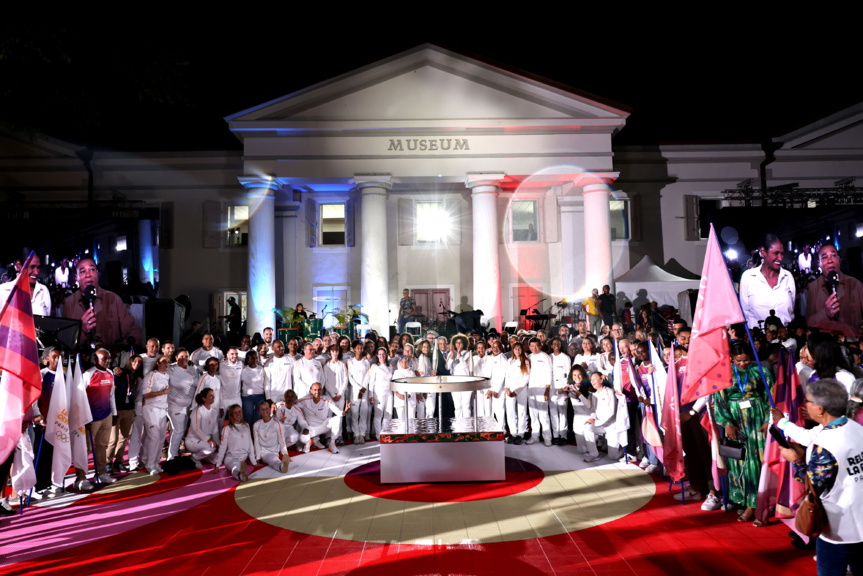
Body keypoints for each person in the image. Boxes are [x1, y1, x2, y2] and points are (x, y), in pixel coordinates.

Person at [778, 379, 863, 575]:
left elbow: (813, 486)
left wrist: (796, 460)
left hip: (839, 528)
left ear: (820, 408)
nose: (805, 405)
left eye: (807, 401)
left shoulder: (825, 444)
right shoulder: (857, 427)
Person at [713, 342, 773, 523]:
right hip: (735, 421)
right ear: (731, 358)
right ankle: (743, 500)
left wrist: (767, 420)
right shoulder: (723, 373)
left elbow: (770, 394)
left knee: (756, 462)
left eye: (746, 360)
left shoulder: (761, 371)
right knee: (740, 461)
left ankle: (755, 505)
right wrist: (727, 423)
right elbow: (719, 399)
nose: (743, 364)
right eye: (739, 361)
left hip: (757, 420)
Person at [62, 258, 142, 350]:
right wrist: (82, 330)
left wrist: (120, 349)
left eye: (92, 270)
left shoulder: (114, 299)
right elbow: (66, 342)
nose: (88, 275)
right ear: (76, 277)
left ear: (97, 273)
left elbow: (135, 332)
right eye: (83, 271)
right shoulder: (69, 303)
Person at [739, 233, 796, 329]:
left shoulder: (788, 277)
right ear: (763, 252)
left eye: (782, 253)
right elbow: (745, 314)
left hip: (786, 339)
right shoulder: (748, 277)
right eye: (776, 253)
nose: (781, 258)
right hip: (758, 339)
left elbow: (792, 310)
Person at [805, 244, 863, 334]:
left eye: (834, 255)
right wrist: (825, 313)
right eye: (824, 257)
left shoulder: (856, 284)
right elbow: (809, 322)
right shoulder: (813, 288)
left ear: (839, 260)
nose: (830, 261)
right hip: (825, 344)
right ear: (818, 263)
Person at [107, 355, 140, 473]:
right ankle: (107, 462)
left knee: (123, 438)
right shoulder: (120, 373)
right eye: (135, 361)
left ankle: (118, 461)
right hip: (117, 410)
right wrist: (112, 410)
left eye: (139, 362)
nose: (137, 363)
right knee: (113, 439)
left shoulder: (136, 376)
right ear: (130, 361)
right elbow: (112, 392)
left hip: (129, 409)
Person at [297, 382, 350, 453]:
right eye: (315, 390)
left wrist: (345, 411)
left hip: (324, 426)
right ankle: (309, 443)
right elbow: (293, 404)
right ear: (311, 391)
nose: (317, 392)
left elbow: (337, 411)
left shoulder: (326, 399)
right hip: (312, 429)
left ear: (322, 390)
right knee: (302, 438)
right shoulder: (305, 400)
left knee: (338, 419)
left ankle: (332, 444)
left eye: (319, 390)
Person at [143, 356, 171, 476]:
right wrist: (163, 392)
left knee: (160, 438)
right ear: (158, 363)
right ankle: (150, 465)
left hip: (162, 410)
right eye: (164, 361)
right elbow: (145, 394)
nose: (166, 363)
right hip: (151, 409)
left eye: (168, 362)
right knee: (154, 437)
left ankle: (155, 463)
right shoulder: (151, 375)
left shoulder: (167, 376)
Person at [212, 405, 256, 482]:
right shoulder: (227, 429)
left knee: (239, 465)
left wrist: (254, 462)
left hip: (243, 458)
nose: (238, 414)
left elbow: (250, 444)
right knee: (235, 468)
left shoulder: (246, 426)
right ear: (231, 415)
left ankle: (241, 473)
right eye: (235, 413)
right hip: (232, 458)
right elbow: (222, 447)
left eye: (239, 411)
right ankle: (240, 476)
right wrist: (217, 465)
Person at [0, 251, 51, 316]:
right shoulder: (3, 291)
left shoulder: (43, 291)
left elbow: (47, 322)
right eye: (32, 267)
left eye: (38, 267)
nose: (36, 272)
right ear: (19, 265)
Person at [185, 388, 221, 468]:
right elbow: (196, 429)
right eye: (210, 396)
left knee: (217, 460)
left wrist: (218, 444)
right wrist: (208, 439)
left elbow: (215, 430)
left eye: (213, 396)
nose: (213, 397)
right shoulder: (197, 410)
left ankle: (202, 456)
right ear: (204, 398)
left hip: (206, 442)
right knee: (211, 448)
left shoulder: (214, 411)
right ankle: (194, 458)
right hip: (193, 441)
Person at [526, 337, 553, 446]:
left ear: (541, 345)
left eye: (536, 346)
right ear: (529, 347)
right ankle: (535, 436)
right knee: (533, 415)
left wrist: (547, 390)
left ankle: (547, 438)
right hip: (531, 390)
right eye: (532, 346)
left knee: (543, 415)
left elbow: (549, 373)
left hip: (542, 390)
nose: (534, 348)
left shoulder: (545, 356)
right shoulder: (529, 357)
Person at [253, 401, 291, 474]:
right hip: (263, 451)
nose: (265, 411)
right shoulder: (256, 425)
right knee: (272, 459)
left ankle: (283, 464)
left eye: (267, 408)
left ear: (270, 409)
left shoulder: (277, 424)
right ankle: (281, 466)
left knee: (273, 458)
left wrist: (285, 454)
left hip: (274, 450)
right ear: (259, 412)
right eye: (262, 409)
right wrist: (257, 457)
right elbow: (256, 442)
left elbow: (282, 440)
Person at [504, 342, 530, 444]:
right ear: (513, 350)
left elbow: (526, 378)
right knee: (510, 412)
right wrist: (507, 388)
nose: (517, 351)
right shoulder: (509, 361)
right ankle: (513, 433)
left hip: (521, 390)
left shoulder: (526, 361)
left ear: (522, 350)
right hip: (510, 390)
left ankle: (521, 434)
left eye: (519, 349)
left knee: (522, 412)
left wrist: (517, 391)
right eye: (515, 349)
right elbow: (507, 376)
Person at [548, 337, 572, 446]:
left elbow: (569, 374)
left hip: (563, 389)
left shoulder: (566, 358)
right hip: (552, 389)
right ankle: (555, 435)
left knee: (563, 414)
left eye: (558, 343)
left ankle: (563, 436)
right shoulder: (548, 357)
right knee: (553, 413)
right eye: (554, 343)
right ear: (551, 346)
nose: (556, 345)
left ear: (560, 345)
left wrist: (565, 388)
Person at [348, 341, 371, 443]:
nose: (359, 350)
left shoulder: (366, 361)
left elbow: (368, 376)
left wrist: (363, 388)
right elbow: (350, 377)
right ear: (354, 349)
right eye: (357, 348)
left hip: (364, 391)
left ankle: (362, 434)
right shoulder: (350, 362)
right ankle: (356, 434)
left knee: (364, 413)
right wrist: (358, 388)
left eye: (361, 348)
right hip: (355, 391)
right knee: (355, 413)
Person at [369, 347, 394, 440]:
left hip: (389, 393)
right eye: (380, 354)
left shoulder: (390, 366)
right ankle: (378, 435)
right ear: (377, 355)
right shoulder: (375, 366)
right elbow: (371, 382)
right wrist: (371, 395)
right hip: (378, 393)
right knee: (378, 415)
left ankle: (386, 432)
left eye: (383, 354)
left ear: (386, 355)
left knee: (388, 414)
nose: (382, 356)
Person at [447, 334, 473, 418]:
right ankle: (458, 428)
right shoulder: (451, 354)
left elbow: (465, 367)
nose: (458, 345)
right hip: (455, 382)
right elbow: (447, 367)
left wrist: (459, 355)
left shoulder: (468, 353)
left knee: (466, 406)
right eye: (456, 343)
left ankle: (466, 428)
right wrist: (452, 355)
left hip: (466, 382)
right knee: (457, 407)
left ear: (464, 343)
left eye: (460, 343)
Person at [240, 350, 267, 428]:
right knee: (248, 415)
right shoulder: (243, 370)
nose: (255, 360)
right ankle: (248, 435)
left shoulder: (261, 369)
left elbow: (265, 383)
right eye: (252, 358)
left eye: (256, 358)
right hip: (247, 397)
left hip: (260, 396)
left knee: (258, 417)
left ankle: (256, 435)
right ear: (248, 360)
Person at [264, 340, 294, 406]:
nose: (282, 348)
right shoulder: (268, 363)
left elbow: (295, 378)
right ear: (273, 349)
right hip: (274, 398)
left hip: (288, 397)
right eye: (279, 347)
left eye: (282, 346)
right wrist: (268, 399)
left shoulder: (291, 359)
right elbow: (267, 383)